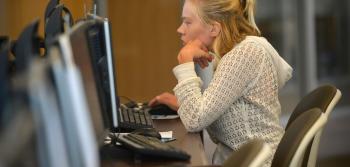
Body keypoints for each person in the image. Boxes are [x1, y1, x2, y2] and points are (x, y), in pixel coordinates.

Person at [149, 0, 292, 166]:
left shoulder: (244, 55)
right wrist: (183, 104)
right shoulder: (233, 53)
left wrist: (185, 60)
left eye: (188, 22)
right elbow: (211, 117)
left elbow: (195, 120)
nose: (180, 30)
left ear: (214, 28)